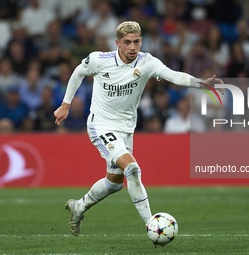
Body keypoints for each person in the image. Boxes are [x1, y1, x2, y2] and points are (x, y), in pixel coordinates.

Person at [54, 21, 224, 237]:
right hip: (100, 125)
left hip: (126, 129)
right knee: (132, 169)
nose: (132, 47)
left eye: (136, 42)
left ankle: (79, 206)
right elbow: (79, 72)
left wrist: (200, 83)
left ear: (141, 41)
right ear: (118, 43)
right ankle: (153, 225)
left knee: (114, 183)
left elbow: (173, 75)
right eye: (127, 43)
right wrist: (66, 104)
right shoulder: (100, 60)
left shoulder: (147, 62)